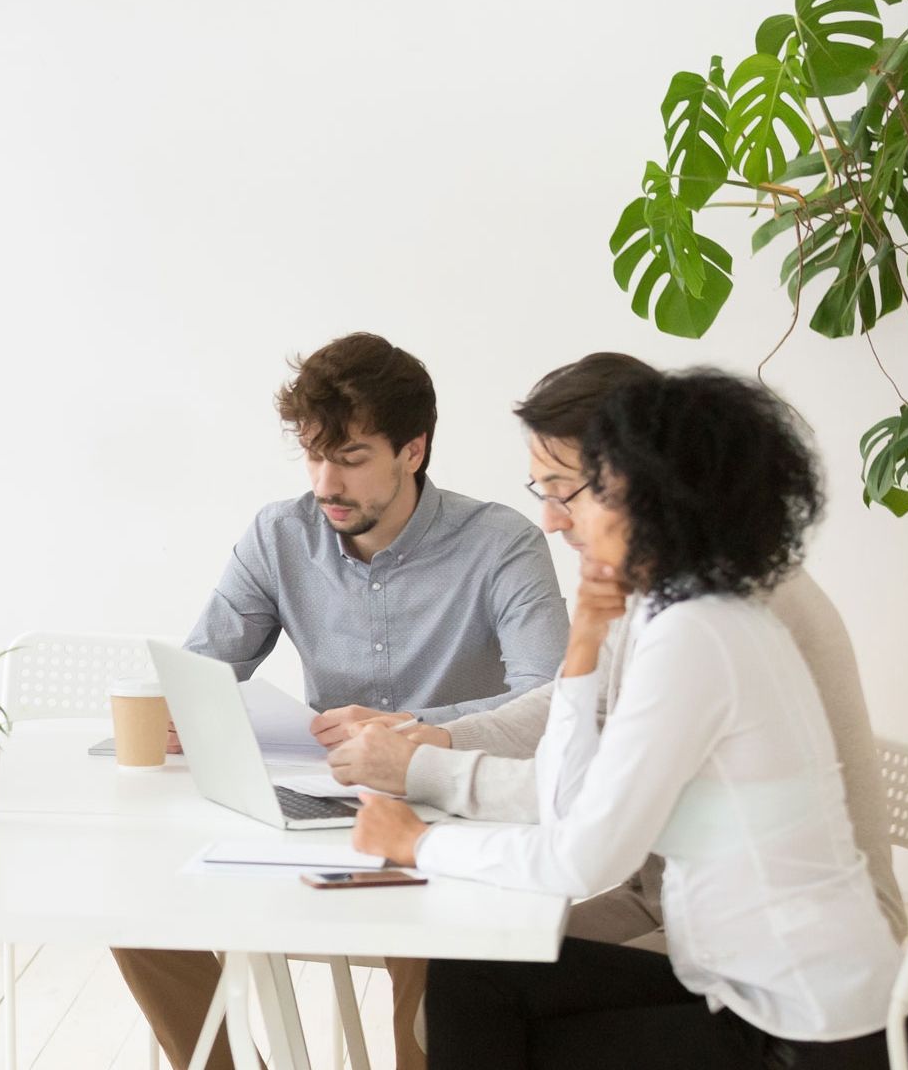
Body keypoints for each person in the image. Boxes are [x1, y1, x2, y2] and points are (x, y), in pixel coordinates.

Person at [353, 368, 902, 1068]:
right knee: (473, 977)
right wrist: (581, 652)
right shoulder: (670, 604)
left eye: (567, 493)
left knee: (514, 1032)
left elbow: (583, 858)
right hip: (738, 990)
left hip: (808, 1034)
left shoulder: (701, 632)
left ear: (646, 492)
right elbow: (568, 802)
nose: (551, 518)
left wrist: (418, 843)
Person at [113, 332, 569, 1070]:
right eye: (314, 454)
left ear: (412, 452)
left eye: (352, 459)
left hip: (446, 815)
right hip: (316, 810)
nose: (326, 482)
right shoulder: (280, 534)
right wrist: (185, 712)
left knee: (434, 945)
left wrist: (414, 733)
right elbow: (205, 667)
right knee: (137, 910)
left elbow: (551, 700)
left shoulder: (502, 545)